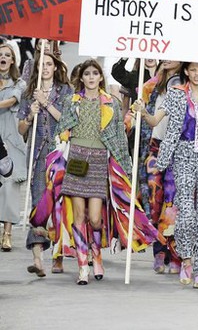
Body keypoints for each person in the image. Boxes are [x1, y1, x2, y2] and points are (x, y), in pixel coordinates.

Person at [42, 59, 157, 285]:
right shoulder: (71, 101)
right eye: (87, 74)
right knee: (78, 216)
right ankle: (83, 266)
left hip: (98, 163)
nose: (92, 77)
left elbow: (118, 137)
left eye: (95, 73)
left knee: (95, 218)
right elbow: (61, 130)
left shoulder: (111, 104)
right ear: (82, 78)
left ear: (100, 77)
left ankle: (97, 255)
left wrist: (124, 167)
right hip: (75, 160)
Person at [143, 61, 198, 289]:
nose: (196, 74)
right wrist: (142, 112)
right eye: (192, 70)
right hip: (182, 154)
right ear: (186, 71)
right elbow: (155, 120)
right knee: (186, 213)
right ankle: (186, 260)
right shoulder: (176, 94)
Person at [17, 52, 72, 276]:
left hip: (61, 153)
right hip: (38, 155)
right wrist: (30, 115)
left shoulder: (66, 91)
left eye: (49, 64)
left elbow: (68, 120)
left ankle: (58, 255)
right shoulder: (29, 93)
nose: (46, 68)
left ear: (55, 66)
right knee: (39, 204)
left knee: (60, 204)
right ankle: (38, 258)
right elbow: (21, 129)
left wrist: (46, 103)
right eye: (42, 64)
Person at [133, 60, 183, 275]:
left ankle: (173, 251)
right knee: (154, 198)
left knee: (173, 202)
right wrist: (138, 113)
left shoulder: (189, 82)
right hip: (155, 147)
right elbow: (144, 117)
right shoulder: (151, 86)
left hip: (180, 149)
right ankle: (158, 250)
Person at [0, 43, 27, 252]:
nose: (3, 57)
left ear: (12, 60)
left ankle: (7, 233)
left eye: (7, 55)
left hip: (10, 142)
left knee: (9, 188)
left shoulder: (19, 83)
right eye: (0, 54)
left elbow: (11, 101)